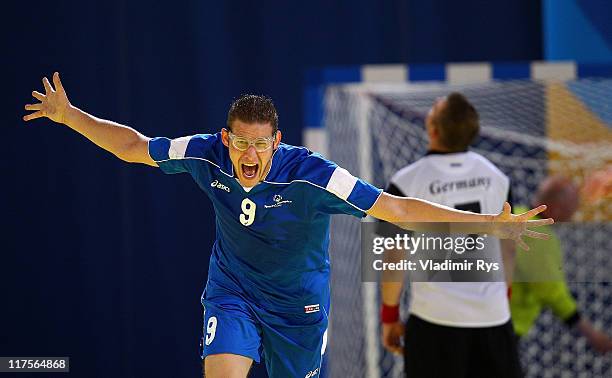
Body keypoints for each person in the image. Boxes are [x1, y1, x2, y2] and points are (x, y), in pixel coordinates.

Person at [23, 73, 552, 378]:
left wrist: (490, 225)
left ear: (276, 143)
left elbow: (400, 211)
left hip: (299, 310)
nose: (248, 154)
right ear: (226, 138)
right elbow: (134, 147)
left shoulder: (313, 176)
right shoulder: (206, 156)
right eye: (240, 142)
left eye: (260, 144)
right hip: (233, 293)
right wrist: (71, 116)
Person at [379, 92, 523, 377]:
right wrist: (500, 296)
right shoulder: (497, 177)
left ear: (432, 129)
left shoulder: (406, 182)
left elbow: (394, 257)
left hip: (436, 321)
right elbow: (509, 249)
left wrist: (390, 315)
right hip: (493, 319)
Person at [511, 176, 612, 354]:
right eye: (572, 208)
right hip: (507, 325)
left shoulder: (514, 216)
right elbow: (552, 292)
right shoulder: (538, 236)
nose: (573, 215)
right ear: (556, 208)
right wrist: (592, 334)